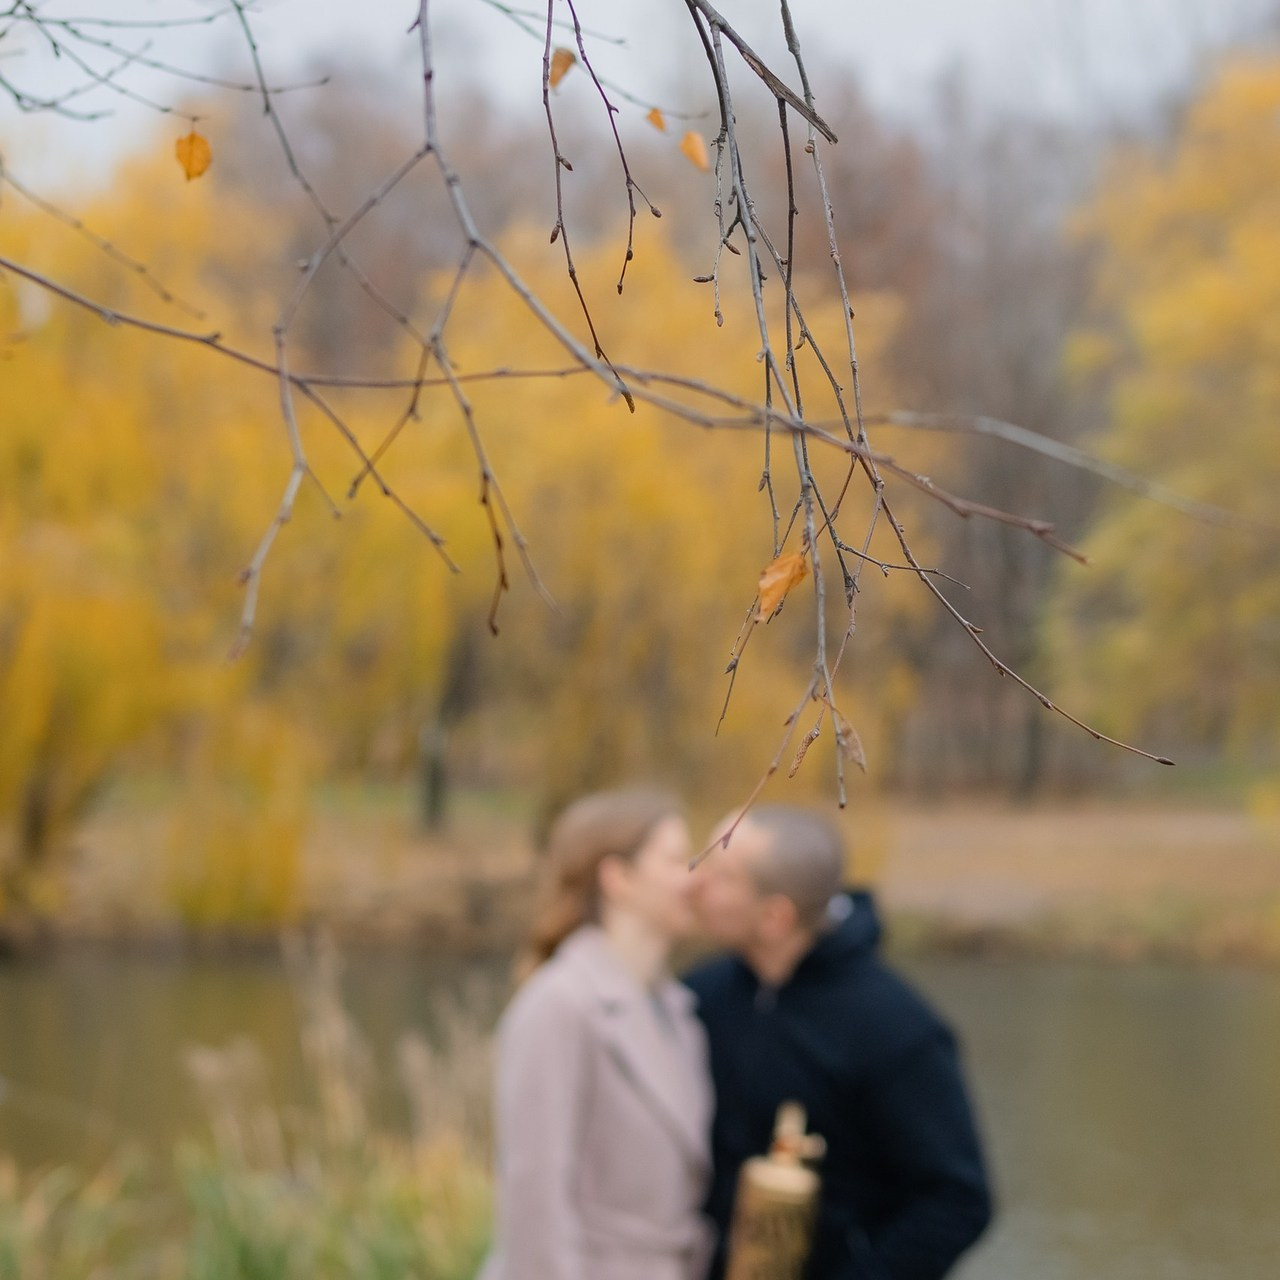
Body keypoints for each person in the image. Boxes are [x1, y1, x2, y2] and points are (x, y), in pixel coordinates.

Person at [685, 805, 992, 1280]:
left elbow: (957, 1201)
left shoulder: (896, 1028)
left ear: (774, 917)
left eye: (720, 874)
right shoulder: (700, 996)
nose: (694, 883)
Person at [480, 787, 714, 1280]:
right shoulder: (559, 1005)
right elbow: (534, 1203)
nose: (697, 877)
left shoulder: (677, 1012)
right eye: (676, 860)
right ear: (618, 877)